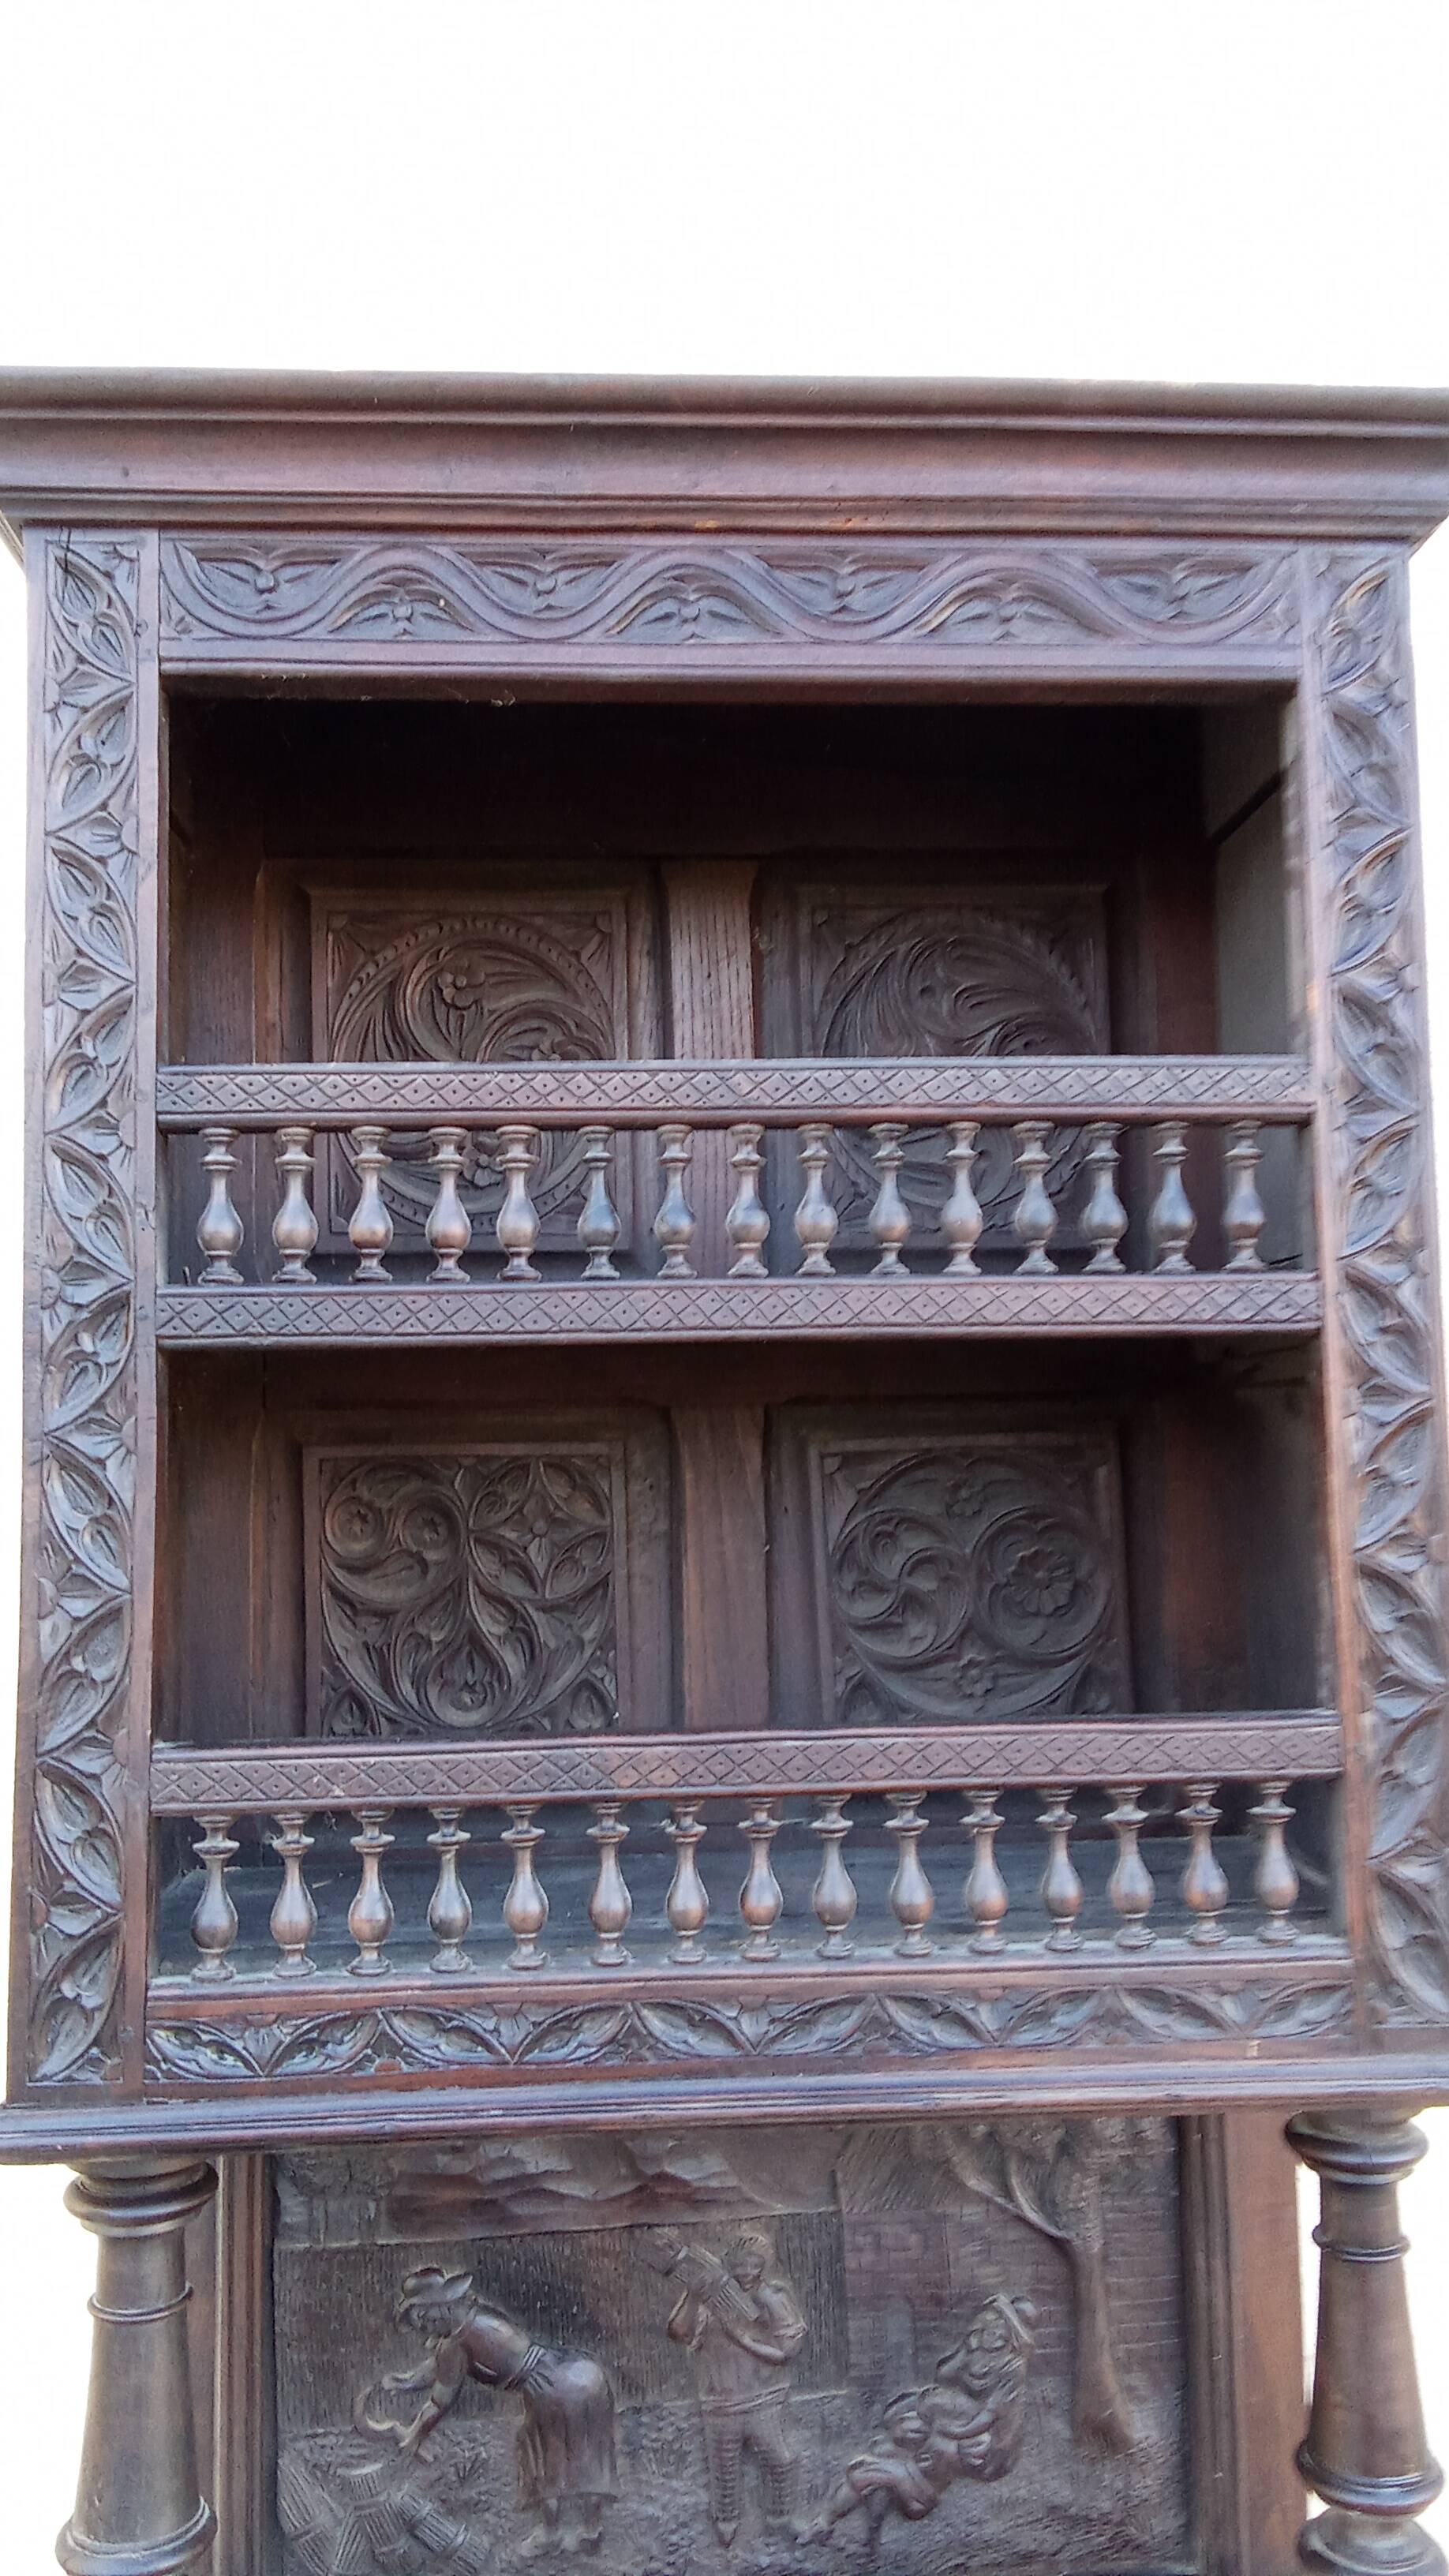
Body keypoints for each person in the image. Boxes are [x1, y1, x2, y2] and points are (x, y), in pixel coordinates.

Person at [359, 2266, 617, 2557]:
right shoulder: (477, 2316)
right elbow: (441, 2366)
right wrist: (405, 2382)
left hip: (549, 2390)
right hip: (581, 2372)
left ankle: (551, 2531)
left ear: (438, 2310)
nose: (424, 2330)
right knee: (587, 2448)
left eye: (423, 2321)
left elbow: (441, 2400)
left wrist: (415, 2434)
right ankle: (592, 2527)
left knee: (537, 2452)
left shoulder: (456, 2343)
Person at [801, 2290, 1036, 2544]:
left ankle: (836, 2523)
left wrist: (950, 2433)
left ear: (1010, 2334)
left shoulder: (1012, 2368)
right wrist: (966, 2348)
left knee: (869, 2471)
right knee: (887, 2443)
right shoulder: (977, 2352)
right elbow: (945, 2375)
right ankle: (866, 2537)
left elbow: (987, 2417)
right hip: (949, 2432)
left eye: (1000, 2326)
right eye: (990, 2324)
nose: (992, 2329)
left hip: (970, 2449)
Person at [661, 2226, 807, 2547]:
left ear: (762, 2266)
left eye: (753, 2263)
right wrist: (694, 2295)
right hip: (720, 2400)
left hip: (763, 2398)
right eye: (739, 2263)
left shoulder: (773, 2298)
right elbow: (679, 2331)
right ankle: (726, 2522)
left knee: (780, 2460)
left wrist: (744, 2340)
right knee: (724, 2467)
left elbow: (787, 2351)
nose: (745, 2270)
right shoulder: (710, 2299)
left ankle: (781, 2517)